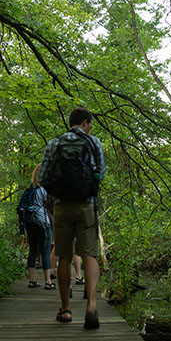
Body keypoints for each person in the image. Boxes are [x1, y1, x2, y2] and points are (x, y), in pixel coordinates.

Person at [39, 107, 106, 329]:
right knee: (90, 255)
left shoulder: (54, 143)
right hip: (87, 205)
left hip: (61, 206)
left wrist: (57, 193)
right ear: (85, 122)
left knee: (64, 256)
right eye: (91, 124)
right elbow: (101, 173)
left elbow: (44, 175)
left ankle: (66, 310)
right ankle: (92, 306)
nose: (91, 128)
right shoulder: (93, 142)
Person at [18, 164, 54, 289]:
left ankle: (32, 280)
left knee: (32, 250)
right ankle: (48, 282)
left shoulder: (30, 189)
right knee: (45, 251)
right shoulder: (46, 190)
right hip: (43, 223)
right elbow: (51, 206)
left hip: (30, 222)